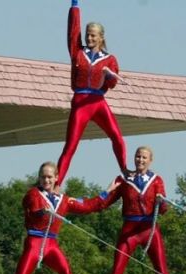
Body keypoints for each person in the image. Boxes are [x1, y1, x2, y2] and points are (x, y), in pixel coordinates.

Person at [0, 162, 113, 274]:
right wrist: (42, 212)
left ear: (56, 178)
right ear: (39, 178)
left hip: (51, 243)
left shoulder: (64, 199)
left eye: (49, 177)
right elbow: (30, 208)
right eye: (43, 177)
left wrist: (106, 193)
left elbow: (88, 206)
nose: (46, 180)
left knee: (66, 272)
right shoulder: (33, 194)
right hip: (35, 242)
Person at [80, 146, 176, 274]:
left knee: (162, 273)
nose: (140, 160)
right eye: (138, 157)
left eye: (144, 157)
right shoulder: (124, 179)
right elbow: (102, 204)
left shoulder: (156, 180)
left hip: (149, 230)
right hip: (129, 232)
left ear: (150, 160)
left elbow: (163, 210)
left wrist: (161, 202)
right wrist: (102, 193)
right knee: (116, 271)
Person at [56, 0, 129, 183]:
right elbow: (73, 31)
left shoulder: (110, 59)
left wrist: (108, 75)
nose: (89, 39)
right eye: (88, 35)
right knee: (71, 145)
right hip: (81, 101)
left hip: (98, 102)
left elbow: (112, 84)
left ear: (101, 38)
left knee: (117, 137)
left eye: (93, 36)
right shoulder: (77, 52)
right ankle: (56, 184)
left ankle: (125, 170)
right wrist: (74, 6)